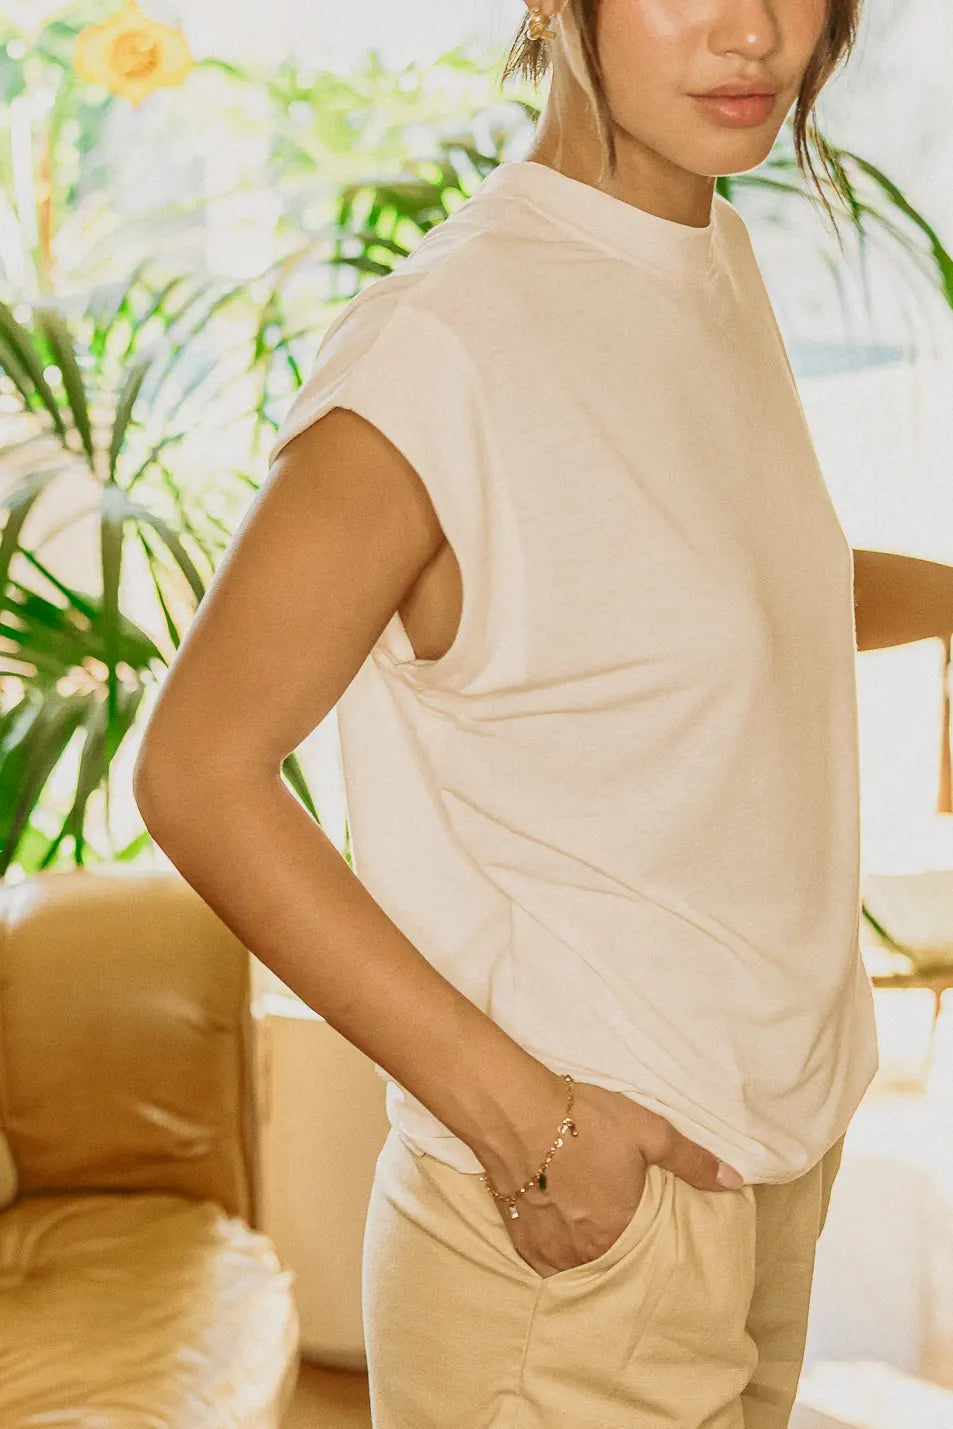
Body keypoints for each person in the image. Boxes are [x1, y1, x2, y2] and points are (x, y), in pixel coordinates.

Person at [133, 0, 890, 1424]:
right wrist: (532, 1126)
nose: (754, 32)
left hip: (767, 1154)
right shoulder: (444, 345)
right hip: (584, 1225)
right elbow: (197, 768)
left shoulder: (701, 252)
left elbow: (725, 601)